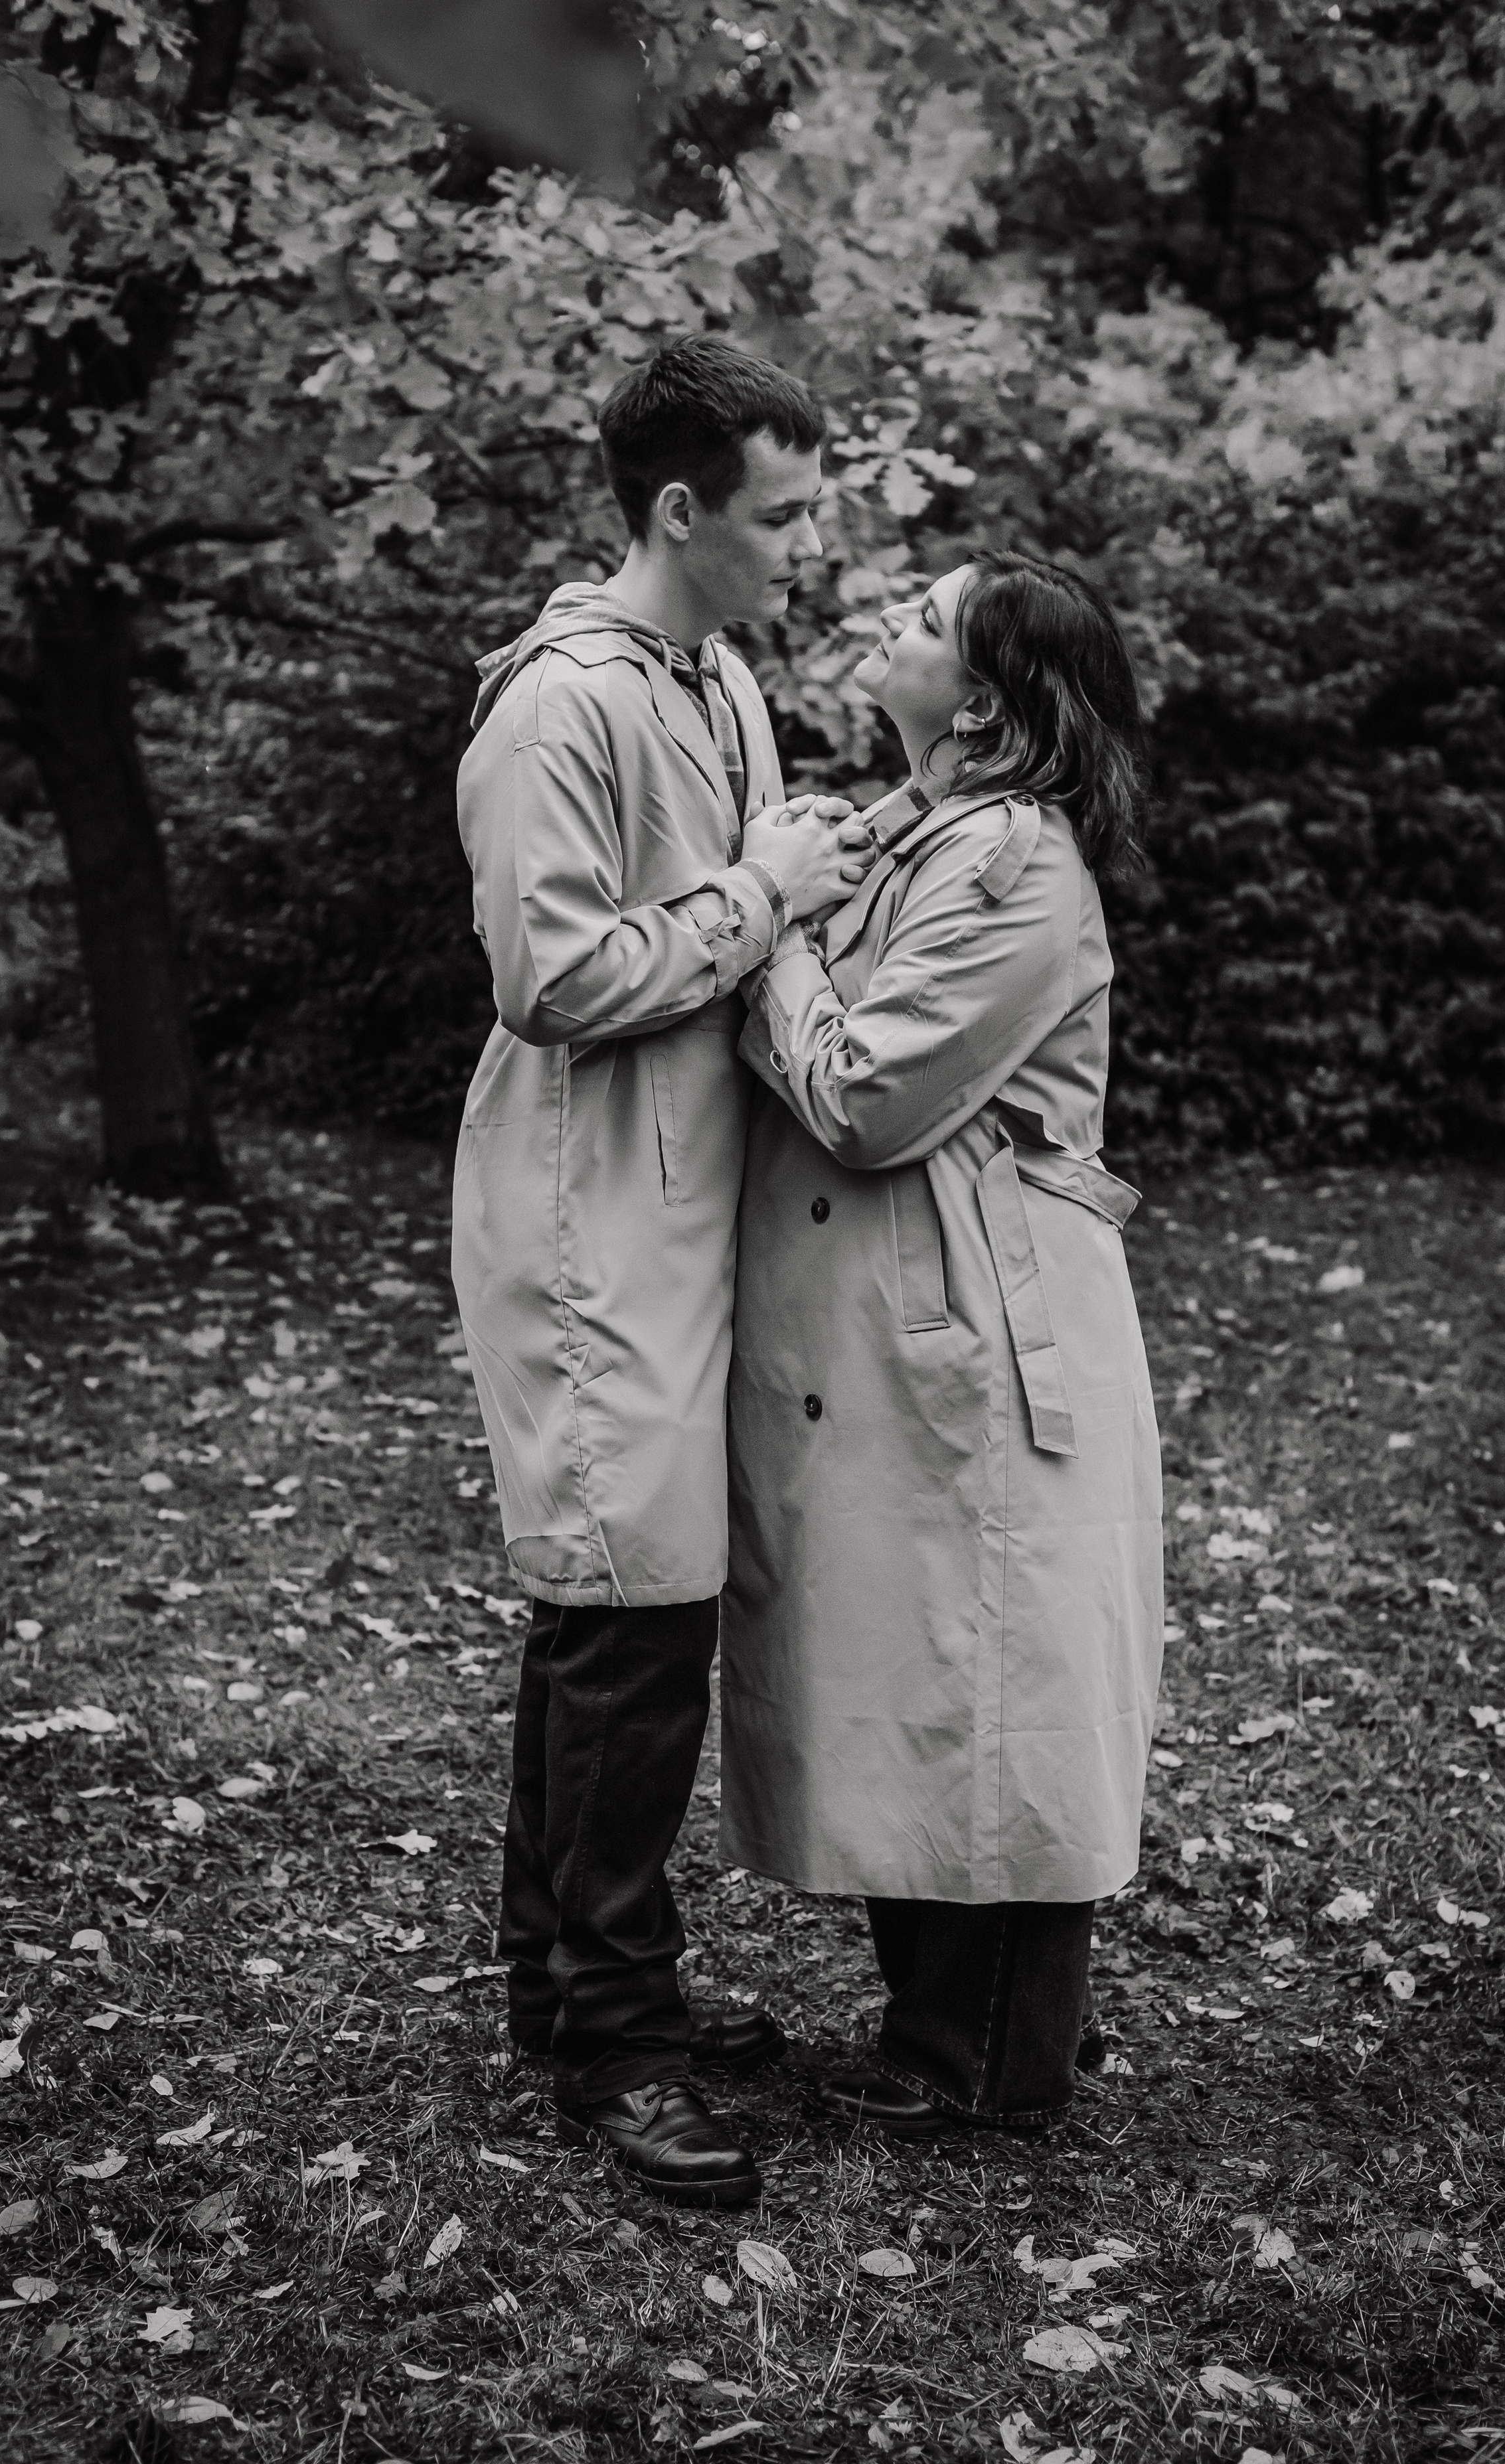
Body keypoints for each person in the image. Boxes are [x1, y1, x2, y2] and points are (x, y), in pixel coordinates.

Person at [450, 337, 873, 2208]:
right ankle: (619, 2042)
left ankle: (567, 1984)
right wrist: (768, 894)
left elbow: (720, 931)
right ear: (684, 513)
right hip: (586, 1212)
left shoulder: (721, 682)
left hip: (692, 1212)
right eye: (782, 512)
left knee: (615, 1612)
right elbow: (552, 981)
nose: (810, 541)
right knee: (631, 1617)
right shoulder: (560, 709)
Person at [720, 550, 1164, 2136]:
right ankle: (953, 2039)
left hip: (981, 1324)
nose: (882, 625)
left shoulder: (1012, 869)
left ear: (976, 701)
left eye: (919, 620)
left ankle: (985, 2063)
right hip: (914, 1315)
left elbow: (866, 1094)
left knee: (987, 1677)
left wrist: (764, 932)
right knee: (922, 1668)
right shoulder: (917, 834)